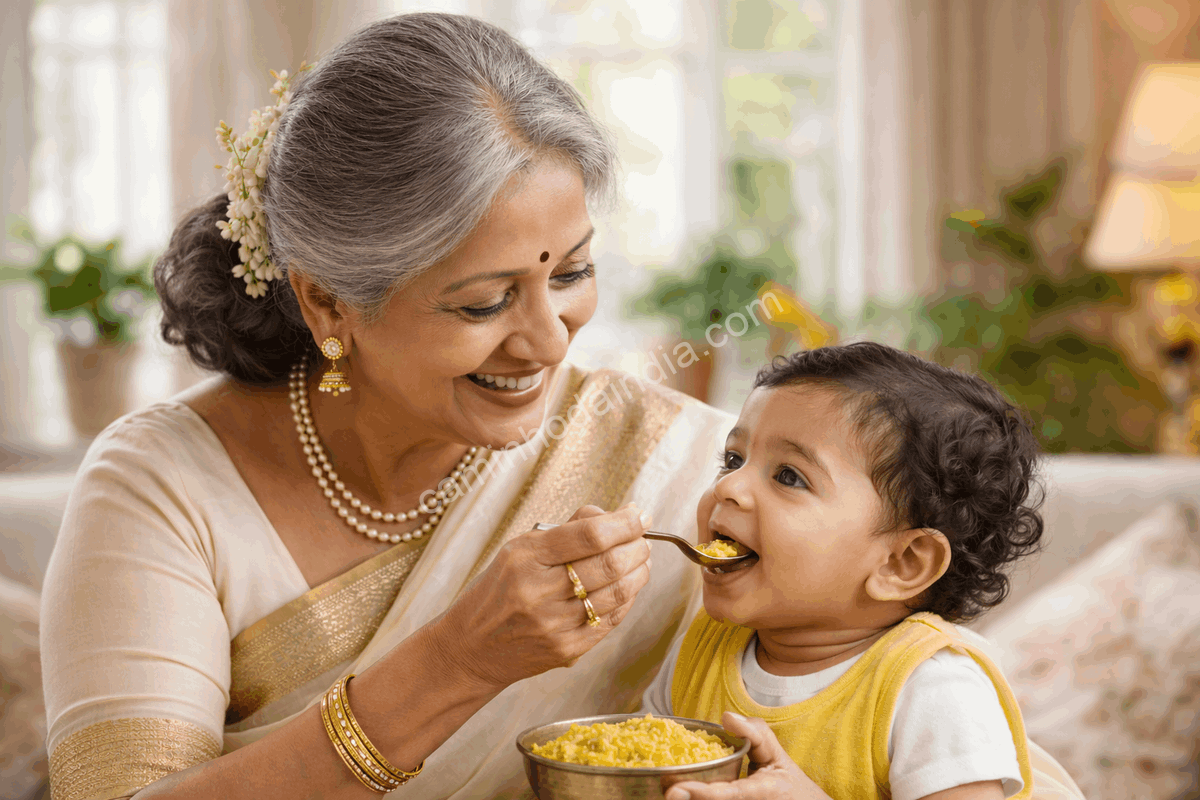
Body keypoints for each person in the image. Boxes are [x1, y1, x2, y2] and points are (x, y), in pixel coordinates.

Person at [39, 13, 736, 800]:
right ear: (329, 303)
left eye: (570, 273)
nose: (548, 342)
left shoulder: (671, 462)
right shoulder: (163, 488)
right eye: (485, 304)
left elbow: (877, 691)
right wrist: (456, 663)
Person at [640, 342, 1087, 800]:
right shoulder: (698, 654)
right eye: (733, 460)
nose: (729, 486)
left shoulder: (931, 690)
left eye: (789, 476)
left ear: (901, 564)